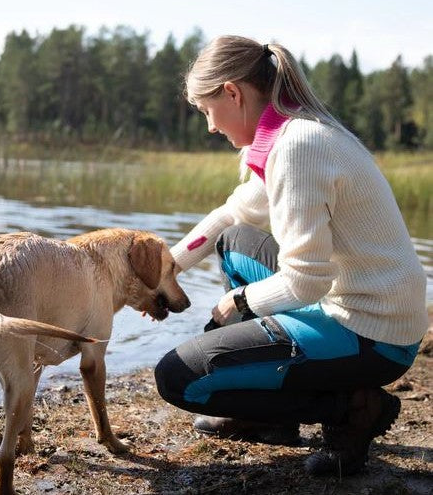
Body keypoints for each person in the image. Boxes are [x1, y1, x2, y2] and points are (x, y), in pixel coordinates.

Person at [154, 35, 428, 476]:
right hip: (352, 302)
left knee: (179, 376)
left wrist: (238, 302)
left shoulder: (299, 147)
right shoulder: (287, 134)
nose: (210, 126)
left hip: (374, 332)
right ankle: (272, 419)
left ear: (232, 93)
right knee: (236, 242)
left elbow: (306, 281)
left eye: (207, 111)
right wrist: (163, 273)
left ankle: (352, 409)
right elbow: (231, 216)